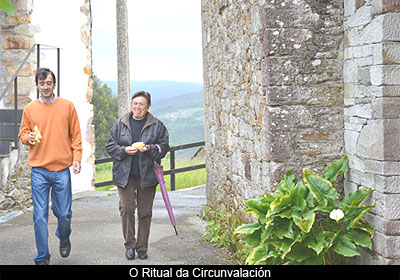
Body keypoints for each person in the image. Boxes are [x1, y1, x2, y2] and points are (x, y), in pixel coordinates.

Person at [18, 68, 82, 265]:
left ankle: (64, 236)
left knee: (64, 214)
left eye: (49, 83)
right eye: (42, 83)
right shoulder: (30, 109)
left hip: (62, 168)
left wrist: (77, 158)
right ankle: (42, 258)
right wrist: (27, 138)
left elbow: (76, 135)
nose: (45, 87)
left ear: (54, 84)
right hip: (39, 170)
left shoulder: (67, 106)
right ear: (37, 85)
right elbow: (23, 134)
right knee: (39, 216)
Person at [106, 91, 169, 261]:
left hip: (147, 175)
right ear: (131, 105)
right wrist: (123, 150)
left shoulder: (157, 125)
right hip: (125, 176)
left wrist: (150, 149)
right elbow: (110, 146)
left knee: (145, 212)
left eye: (141, 104)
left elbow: (164, 147)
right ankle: (130, 245)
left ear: (147, 106)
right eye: (135, 104)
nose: (137, 107)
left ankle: (142, 247)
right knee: (127, 209)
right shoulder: (120, 124)